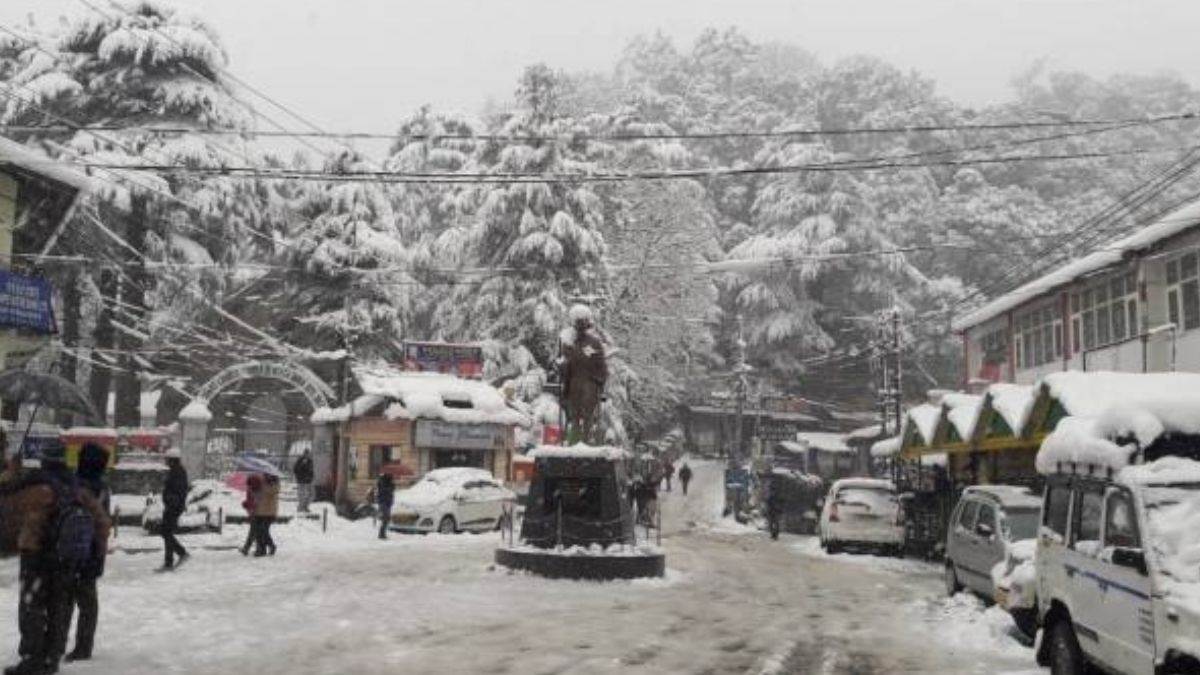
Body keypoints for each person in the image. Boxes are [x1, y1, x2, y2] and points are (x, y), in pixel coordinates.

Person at [3, 442, 110, 675]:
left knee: (32, 606)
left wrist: (12, 470)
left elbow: (7, 497)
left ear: (43, 460)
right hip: (66, 559)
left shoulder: (36, 485)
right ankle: (51, 658)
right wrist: (92, 554)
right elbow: (102, 522)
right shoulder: (76, 487)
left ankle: (32, 658)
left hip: (36, 557)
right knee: (59, 606)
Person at [63, 443, 110, 663]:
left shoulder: (71, 486)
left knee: (64, 601)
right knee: (88, 605)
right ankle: (83, 646)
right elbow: (103, 525)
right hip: (90, 553)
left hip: (67, 552)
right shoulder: (101, 490)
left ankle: (57, 642)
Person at [160, 448, 189, 571]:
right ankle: (173, 559)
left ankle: (177, 556)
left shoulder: (177, 472)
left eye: (167, 459)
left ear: (172, 460)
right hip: (172, 506)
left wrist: (170, 501)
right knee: (166, 532)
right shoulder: (175, 471)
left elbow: (177, 491)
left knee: (166, 532)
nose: (165, 461)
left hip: (173, 507)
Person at [254, 474, 279, 556]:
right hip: (259, 510)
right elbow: (257, 495)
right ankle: (261, 549)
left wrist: (263, 486)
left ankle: (271, 545)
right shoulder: (260, 481)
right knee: (258, 531)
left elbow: (272, 491)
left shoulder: (274, 482)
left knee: (263, 530)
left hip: (269, 511)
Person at [239, 473, 262, 556]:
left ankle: (255, 549)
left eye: (249, 484)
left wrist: (247, 505)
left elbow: (255, 502)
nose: (248, 486)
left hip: (255, 513)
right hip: (254, 512)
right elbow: (250, 501)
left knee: (254, 532)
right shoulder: (253, 489)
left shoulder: (255, 491)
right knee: (254, 532)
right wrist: (246, 504)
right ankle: (248, 548)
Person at [375, 473, 395, 540]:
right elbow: (385, 491)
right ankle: (381, 534)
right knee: (386, 518)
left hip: (387, 503)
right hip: (383, 503)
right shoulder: (382, 484)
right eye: (391, 478)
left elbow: (391, 492)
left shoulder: (388, 483)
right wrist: (391, 487)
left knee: (386, 518)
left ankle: (382, 533)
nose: (393, 479)